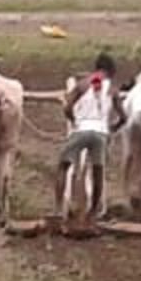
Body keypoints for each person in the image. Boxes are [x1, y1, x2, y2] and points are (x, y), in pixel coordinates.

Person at [58, 52, 121, 221]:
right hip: (100, 133)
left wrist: (74, 120)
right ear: (110, 71)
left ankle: (58, 209)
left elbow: (67, 106)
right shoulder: (113, 89)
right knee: (98, 171)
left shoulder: (83, 84)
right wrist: (113, 127)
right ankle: (93, 212)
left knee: (63, 166)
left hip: (81, 130)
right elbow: (123, 117)